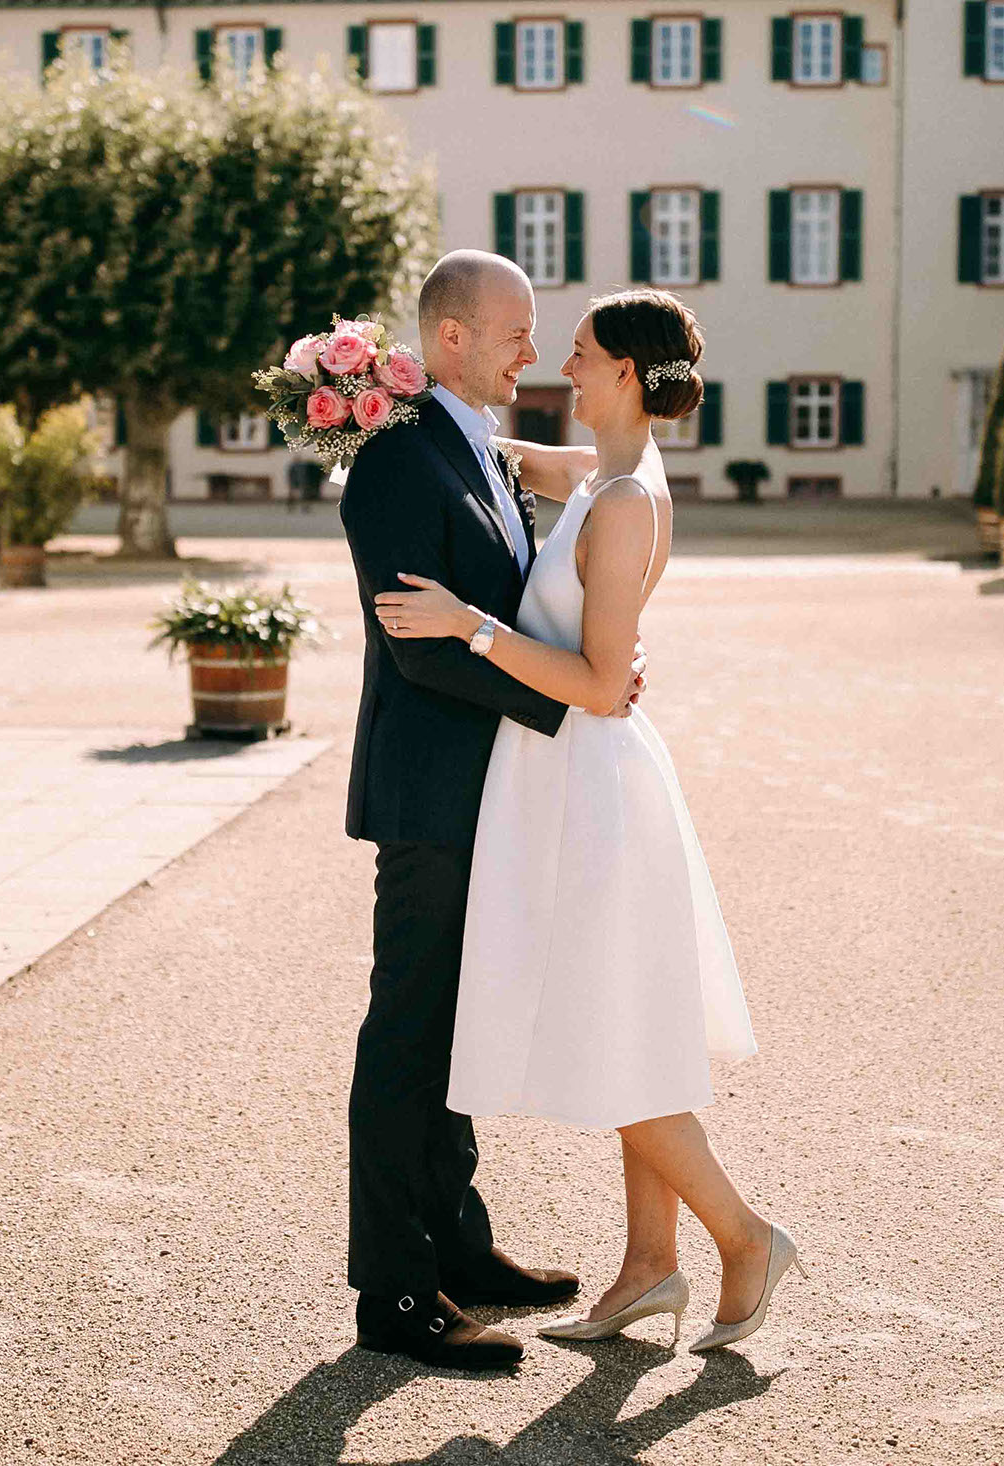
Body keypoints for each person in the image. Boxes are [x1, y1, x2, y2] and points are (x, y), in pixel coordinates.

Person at [375, 287, 800, 1356]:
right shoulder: (608, 472)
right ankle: (647, 1271)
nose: (558, 360)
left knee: (616, 1037)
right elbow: (502, 455)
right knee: (631, 1028)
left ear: (622, 373)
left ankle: (744, 1237)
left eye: (578, 350)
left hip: (594, 789)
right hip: (575, 783)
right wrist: (392, 400)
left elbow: (605, 684)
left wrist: (470, 626)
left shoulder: (621, 502)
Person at [336, 249, 642, 1371]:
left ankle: (459, 1246)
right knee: (407, 1034)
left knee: (458, 1027)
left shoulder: (478, 449)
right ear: (452, 339)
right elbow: (420, 652)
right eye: (516, 330)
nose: (532, 348)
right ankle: (392, 1289)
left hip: (492, 792)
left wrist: (589, 666)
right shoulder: (394, 465)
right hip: (430, 796)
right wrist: (576, 699)